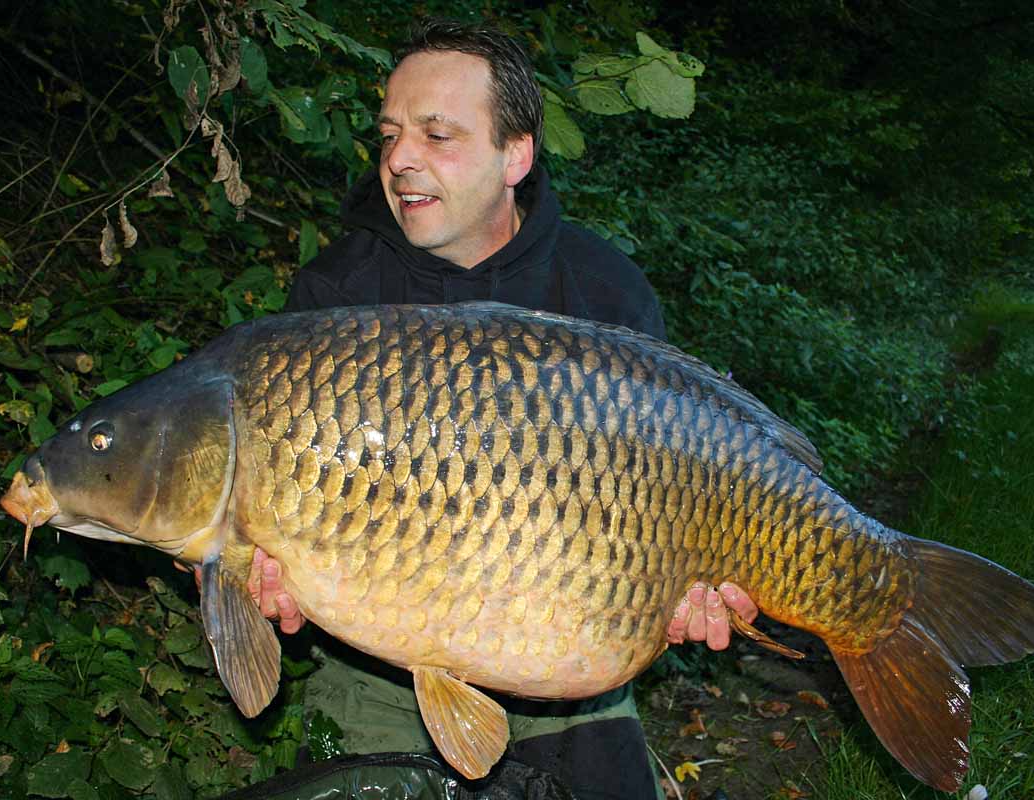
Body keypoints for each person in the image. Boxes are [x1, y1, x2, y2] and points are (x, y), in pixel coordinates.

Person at [230, 18, 757, 799]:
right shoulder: (335, 298)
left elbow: (672, 498)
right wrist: (264, 577)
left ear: (516, 155)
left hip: (566, 660)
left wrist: (688, 593)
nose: (399, 160)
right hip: (379, 670)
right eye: (390, 136)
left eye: (437, 135)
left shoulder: (603, 293)